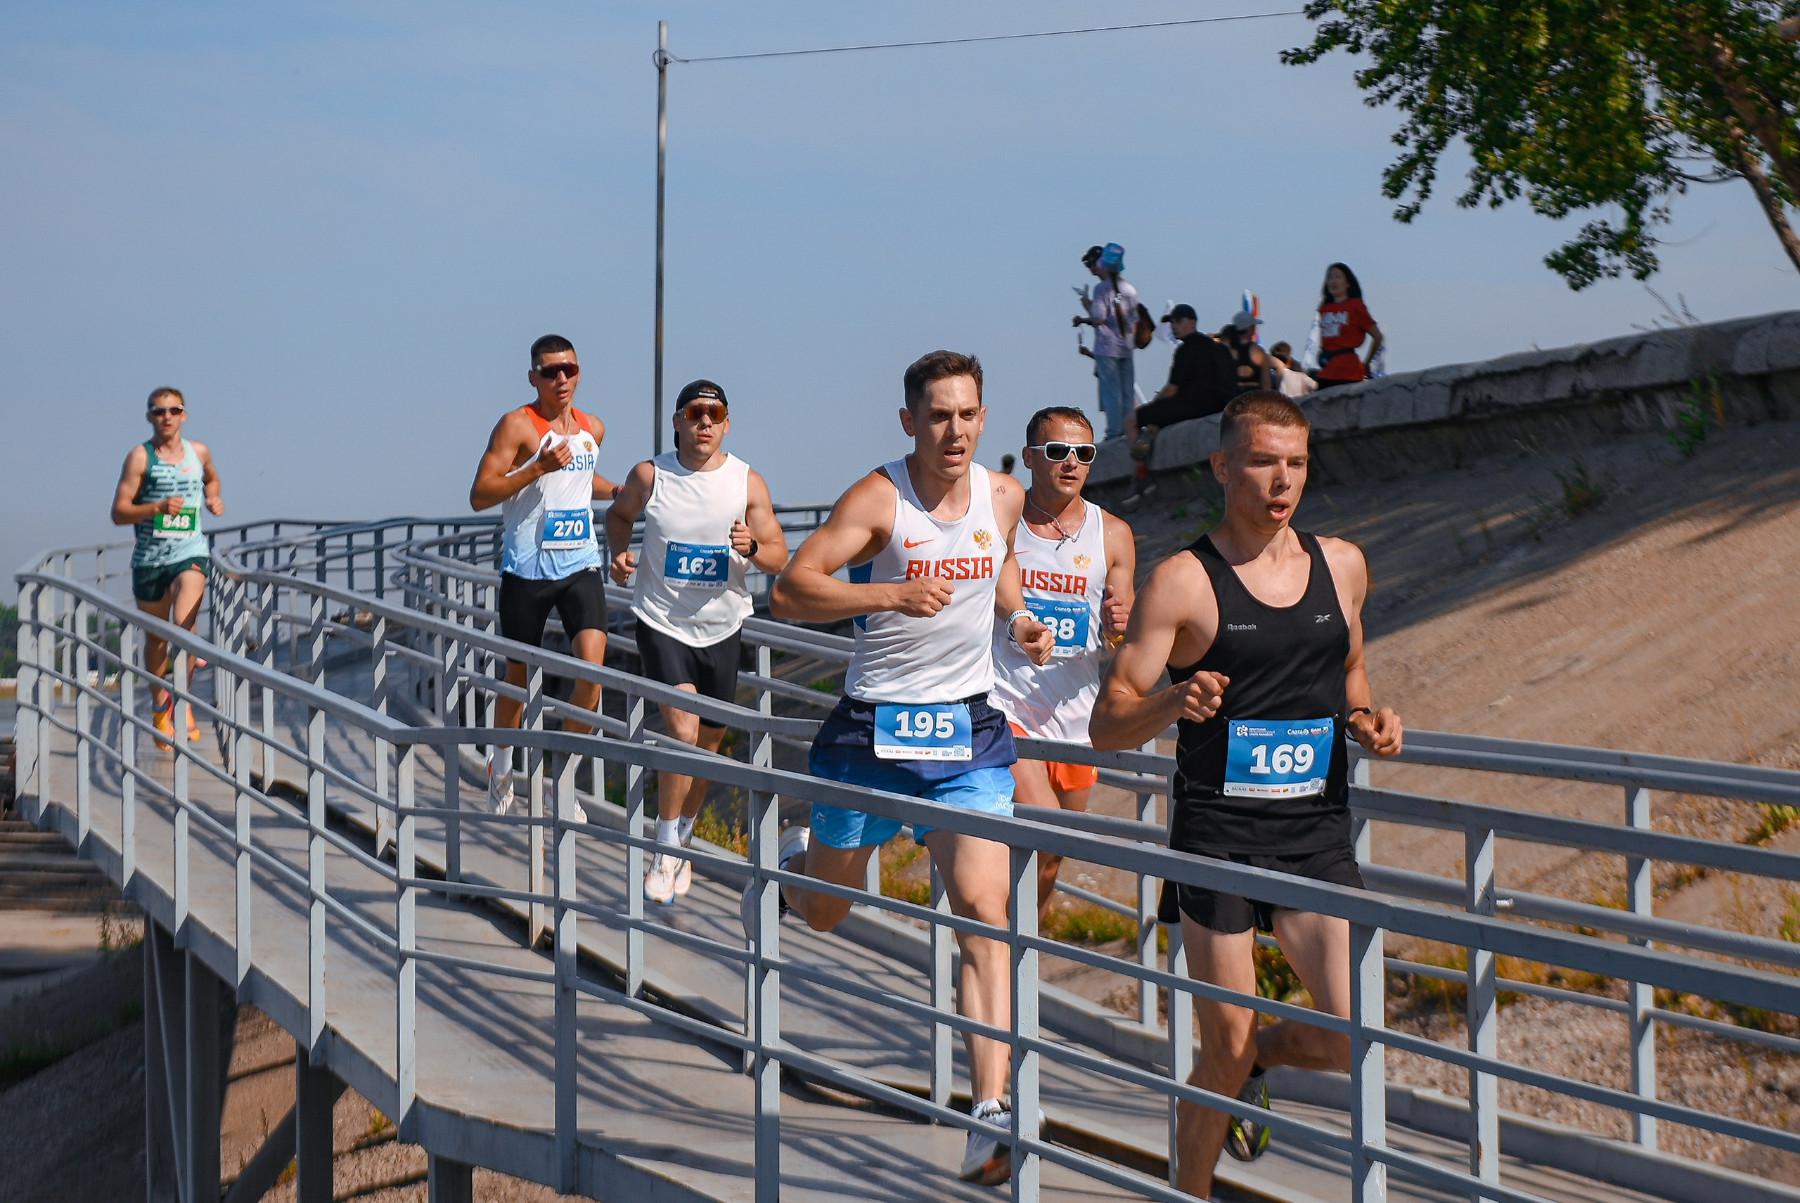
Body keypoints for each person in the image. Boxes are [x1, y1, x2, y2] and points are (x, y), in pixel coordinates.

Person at [1088, 391, 1405, 1199]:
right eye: (1263, 461)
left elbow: (1351, 673)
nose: (1282, 480)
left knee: (1357, 1033)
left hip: (1315, 835)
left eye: (1296, 463)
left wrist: (1367, 720)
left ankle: (1263, 1054)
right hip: (1220, 841)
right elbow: (1107, 722)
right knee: (1219, 1052)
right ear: (1223, 465)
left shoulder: (1344, 565)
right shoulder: (1183, 581)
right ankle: (1190, 1188)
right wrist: (1173, 700)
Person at [747, 350, 1052, 1186]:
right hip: (871, 736)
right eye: (938, 415)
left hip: (967, 735)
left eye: (968, 414)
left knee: (984, 910)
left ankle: (989, 1111)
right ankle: (795, 872)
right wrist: (889, 593)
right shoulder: (878, 499)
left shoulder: (1004, 494)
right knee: (826, 912)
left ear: (983, 418)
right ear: (910, 420)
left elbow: (998, 563)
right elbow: (791, 590)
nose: (954, 430)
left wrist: (1019, 619)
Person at [605, 379, 790, 905]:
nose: (705, 421)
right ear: (678, 422)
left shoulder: (746, 481)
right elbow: (618, 516)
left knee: (709, 744)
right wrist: (617, 554)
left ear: (727, 423)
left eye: (715, 413)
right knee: (682, 731)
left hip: (723, 627)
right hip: (662, 621)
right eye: (694, 413)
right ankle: (664, 845)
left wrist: (752, 547)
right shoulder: (651, 475)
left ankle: (683, 833)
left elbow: (779, 555)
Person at [991, 406, 1134, 914]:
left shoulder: (1112, 533)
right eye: (1057, 451)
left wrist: (1118, 625)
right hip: (1006, 703)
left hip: (1075, 716)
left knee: (1053, 857)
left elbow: (1119, 634)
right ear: (1030, 457)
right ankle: (992, 943)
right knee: (1043, 830)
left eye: (1084, 453)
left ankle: (1013, 942)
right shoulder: (1005, 521)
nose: (1071, 462)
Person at [468, 334, 619, 813]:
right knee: (519, 675)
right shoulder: (516, 425)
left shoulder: (593, 428)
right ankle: (501, 764)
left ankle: (562, 781)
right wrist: (536, 468)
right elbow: (480, 494)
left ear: (579, 372)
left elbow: (580, 479)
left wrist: (619, 491)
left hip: (580, 565)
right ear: (533, 377)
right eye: (551, 371)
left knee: (592, 675)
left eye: (568, 369)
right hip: (527, 570)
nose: (561, 379)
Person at [110, 388, 225, 748]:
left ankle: (183, 703)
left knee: (184, 628)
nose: (167, 417)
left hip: (190, 551)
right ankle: (161, 705)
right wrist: (156, 508)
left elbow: (211, 477)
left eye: (174, 410)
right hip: (150, 559)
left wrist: (213, 496)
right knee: (157, 639)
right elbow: (118, 512)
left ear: (184, 415)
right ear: (150, 417)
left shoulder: (198, 452)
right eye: (159, 412)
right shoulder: (139, 458)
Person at [1121, 304, 1238, 509]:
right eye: (1172, 322)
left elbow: (1172, 389)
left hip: (1190, 406)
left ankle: (1141, 474)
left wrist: (1154, 405)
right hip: (1216, 405)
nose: (1173, 326)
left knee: (1132, 420)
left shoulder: (1185, 350)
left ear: (1191, 322)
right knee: (1157, 420)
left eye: (1177, 321)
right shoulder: (1219, 348)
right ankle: (1151, 434)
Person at [1072, 243, 1140, 441]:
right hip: (1126, 347)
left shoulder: (1101, 289)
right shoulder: (1129, 289)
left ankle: (1114, 432)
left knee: (1112, 393)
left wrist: (1086, 306)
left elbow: (1099, 318)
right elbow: (1134, 319)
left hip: (1107, 348)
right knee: (1127, 392)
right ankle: (1129, 428)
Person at [1315, 263, 1384, 389]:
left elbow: (1377, 336)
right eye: (1330, 277)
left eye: (1338, 277)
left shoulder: (1355, 306)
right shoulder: (1324, 309)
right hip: (1327, 369)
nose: (1333, 281)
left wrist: (1367, 363)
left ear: (1347, 283)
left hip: (1348, 370)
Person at [1220, 312, 1275, 398]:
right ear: (1250, 329)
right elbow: (1266, 384)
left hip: (1232, 399)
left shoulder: (1225, 351)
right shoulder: (1258, 351)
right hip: (1254, 398)